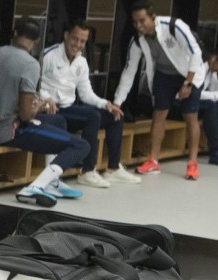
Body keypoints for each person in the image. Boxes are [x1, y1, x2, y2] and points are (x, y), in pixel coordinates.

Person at [0, 18, 90, 208]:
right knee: (81, 145)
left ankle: (51, 182)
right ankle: (35, 187)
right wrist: (38, 105)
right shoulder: (30, 64)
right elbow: (26, 115)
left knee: (58, 120)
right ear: (37, 42)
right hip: (10, 130)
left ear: (14, 33)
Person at [39, 20, 142, 188]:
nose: (78, 44)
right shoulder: (49, 55)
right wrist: (44, 98)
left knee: (114, 114)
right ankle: (87, 171)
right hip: (49, 110)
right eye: (75, 39)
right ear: (66, 36)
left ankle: (113, 168)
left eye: (83, 41)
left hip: (68, 108)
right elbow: (33, 84)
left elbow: (86, 94)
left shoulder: (82, 62)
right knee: (92, 117)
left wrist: (106, 104)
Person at [113, 0, 205, 180]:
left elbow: (196, 52)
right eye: (135, 22)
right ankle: (153, 160)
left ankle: (192, 163)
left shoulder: (174, 26)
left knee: (190, 117)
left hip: (189, 73)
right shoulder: (137, 41)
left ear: (152, 17)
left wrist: (188, 83)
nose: (138, 26)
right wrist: (117, 102)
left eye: (142, 21)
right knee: (159, 114)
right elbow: (129, 72)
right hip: (164, 74)